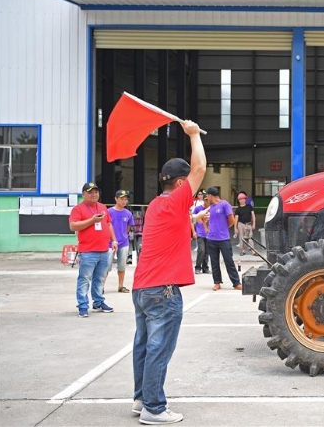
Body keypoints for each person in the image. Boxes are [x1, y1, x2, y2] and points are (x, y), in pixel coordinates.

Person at [131, 120, 206, 425]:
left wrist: (193, 216)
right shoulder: (177, 200)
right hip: (162, 291)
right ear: (179, 184)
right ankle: (154, 408)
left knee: (144, 346)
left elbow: (178, 226)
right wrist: (194, 135)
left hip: (143, 287)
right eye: (187, 184)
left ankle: (141, 399)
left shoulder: (155, 206)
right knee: (159, 350)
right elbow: (199, 168)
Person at [69, 182, 118, 317]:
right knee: (84, 279)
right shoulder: (78, 209)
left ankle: (98, 302)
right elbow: (73, 226)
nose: (94, 194)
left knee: (99, 279)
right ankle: (83, 305)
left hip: (104, 250)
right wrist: (91, 220)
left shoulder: (102, 207)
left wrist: (113, 240)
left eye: (96, 192)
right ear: (83, 194)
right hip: (88, 251)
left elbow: (108, 224)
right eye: (90, 192)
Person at [199, 186, 241, 291]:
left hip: (223, 239)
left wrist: (223, 228)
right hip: (211, 239)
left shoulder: (224, 204)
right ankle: (217, 282)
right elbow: (205, 220)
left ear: (210, 195)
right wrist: (207, 227)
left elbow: (231, 220)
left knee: (229, 261)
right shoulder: (210, 207)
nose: (206, 198)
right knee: (214, 262)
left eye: (207, 195)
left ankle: (236, 283)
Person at [105, 189, 135, 293]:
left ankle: (121, 285)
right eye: (122, 199)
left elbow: (127, 228)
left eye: (126, 199)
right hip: (109, 243)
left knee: (122, 265)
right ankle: (101, 286)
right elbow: (106, 226)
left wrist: (124, 237)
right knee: (106, 266)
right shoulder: (108, 212)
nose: (124, 201)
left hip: (123, 243)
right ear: (116, 199)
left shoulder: (128, 214)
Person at [192, 194, 210, 274]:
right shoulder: (198, 209)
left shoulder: (211, 209)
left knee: (207, 251)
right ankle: (197, 267)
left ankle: (205, 268)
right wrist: (193, 231)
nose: (207, 201)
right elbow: (192, 220)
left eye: (208, 200)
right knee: (201, 250)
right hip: (200, 233)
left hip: (209, 234)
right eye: (205, 199)